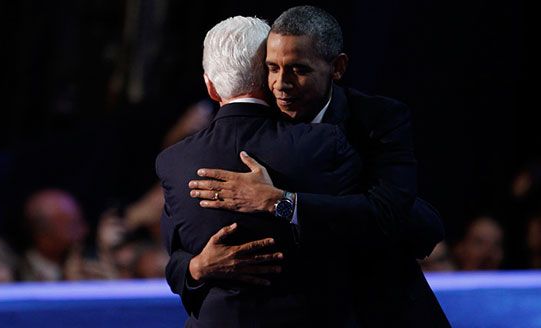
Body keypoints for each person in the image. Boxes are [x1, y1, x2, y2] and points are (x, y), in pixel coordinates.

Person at [172, 5, 449, 327]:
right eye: (272, 68)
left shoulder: (377, 120)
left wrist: (279, 201)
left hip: (379, 307)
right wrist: (198, 267)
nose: (280, 83)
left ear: (338, 67)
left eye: (298, 69)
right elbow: (180, 250)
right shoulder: (253, 127)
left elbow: (398, 217)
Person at [157, 15, 362, 327]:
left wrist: (196, 267)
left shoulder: (173, 162)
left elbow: (175, 265)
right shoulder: (321, 143)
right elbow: (368, 225)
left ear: (210, 87)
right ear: (270, 77)